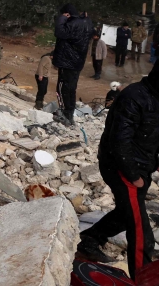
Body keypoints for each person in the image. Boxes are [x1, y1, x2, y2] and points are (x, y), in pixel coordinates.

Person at [77, 65, 159, 279]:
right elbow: (119, 141)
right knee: (141, 231)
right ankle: (143, 279)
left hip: (142, 165)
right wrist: (133, 176)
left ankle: (89, 242)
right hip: (121, 166)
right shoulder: (133, 97)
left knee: (127, 213)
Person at [52, 3, 93, 125]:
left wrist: (62, 19)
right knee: (72, 88)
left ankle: (65, 114)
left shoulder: (71, 24)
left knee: (62, 87)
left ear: (67, 14)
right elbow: (90, 28)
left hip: (67, 62)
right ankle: (69, 113)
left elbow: (59, 32)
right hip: (78, 62)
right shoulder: (86, 24)